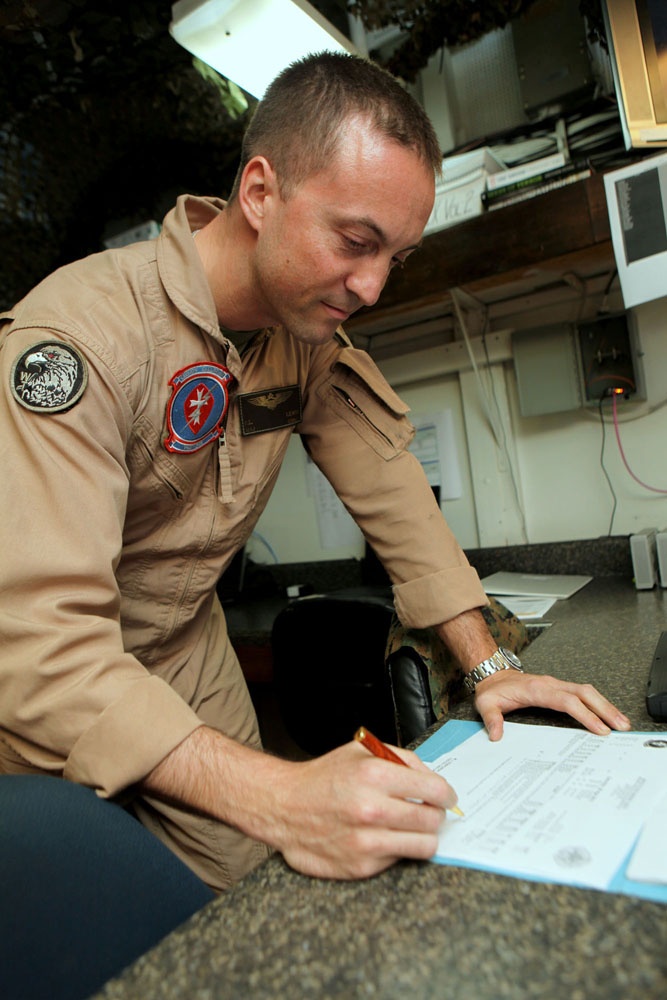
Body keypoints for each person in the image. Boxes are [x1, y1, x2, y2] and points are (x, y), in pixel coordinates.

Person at [0, 52, 631, 892]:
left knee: (252, 893)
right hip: (46, 680)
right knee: (86, 917)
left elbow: (390, 485)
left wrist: (489, 667)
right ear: (259, 193)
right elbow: (44, 646)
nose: (370, 287)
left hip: (184, 652)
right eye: (355, 242)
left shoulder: (301, 337)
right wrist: (285, 791)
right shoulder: (76, 343)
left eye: (394, 258)